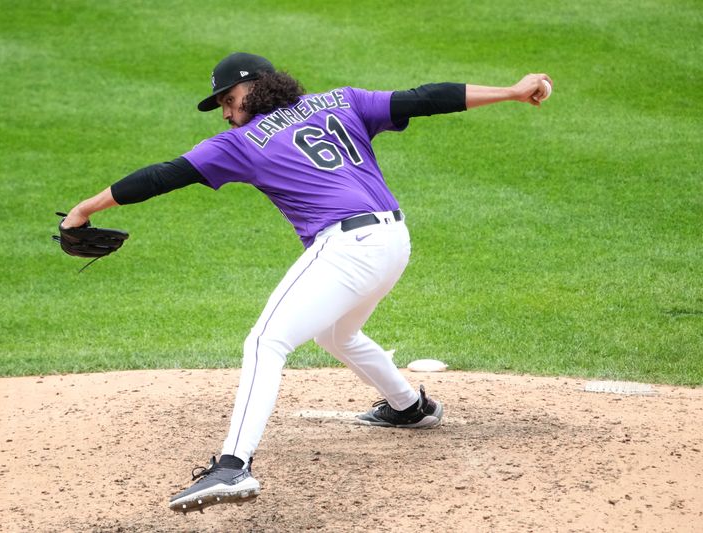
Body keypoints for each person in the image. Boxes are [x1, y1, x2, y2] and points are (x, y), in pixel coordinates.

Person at [59, 52, 553, 513]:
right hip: (394, 240)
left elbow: (163, 176)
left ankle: (232, 468)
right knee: (335, 333)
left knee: (264, 342)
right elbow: (425, 98)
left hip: (347, 248)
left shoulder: (240, 142)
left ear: (252, 90)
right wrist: (511, 91)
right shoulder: (343, 100)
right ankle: (409, 407)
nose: (226, 115)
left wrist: (84, 209)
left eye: (228, 101)